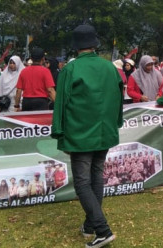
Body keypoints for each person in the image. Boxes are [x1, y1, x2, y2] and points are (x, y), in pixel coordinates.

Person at [52, 24, 123, 247]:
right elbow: (119, 99)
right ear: (94, 44)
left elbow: (60, 103)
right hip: (104, 132)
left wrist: (59, 133)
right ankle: (91, 224)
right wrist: (116, 123)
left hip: (80, 133)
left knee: (83, 182)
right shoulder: (110, 67)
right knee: (96, 178)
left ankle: (102, 230)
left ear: (75, 47)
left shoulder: (70, 70)